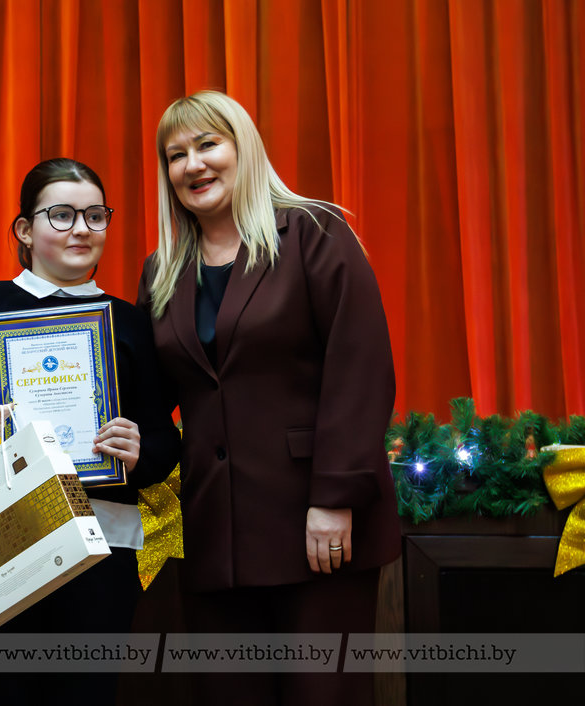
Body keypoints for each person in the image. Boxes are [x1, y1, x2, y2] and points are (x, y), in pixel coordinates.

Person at [137, 90, 400, 705]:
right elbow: (151, 394)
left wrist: (335, 498)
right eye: (176, 155)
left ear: (244, 149)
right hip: (214, 534)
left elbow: (360, 370)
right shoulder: (161, 270)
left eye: (208, 145)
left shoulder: (314, 233)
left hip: (316, 527)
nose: (193, 165)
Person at [0, 158, 180, 706]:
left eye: (94, 216)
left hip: (103, 543)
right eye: (61, 215)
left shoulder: (130, 321)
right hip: (0, 539)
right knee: (0, 696)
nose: (81, 229)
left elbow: (163, 440)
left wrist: (140, 452)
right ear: (24, 229)